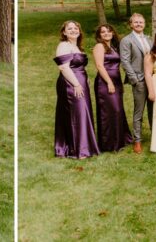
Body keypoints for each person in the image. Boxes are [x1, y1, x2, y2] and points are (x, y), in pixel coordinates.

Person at [53, 20, 100, 159]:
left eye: (76, 28)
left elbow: (79, 67)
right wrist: (76, 84)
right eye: (70, 28)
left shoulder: (77, 46)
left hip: (80, 82)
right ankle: (78, 150)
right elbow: (63, 67)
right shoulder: (63, 45)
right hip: (70, 83)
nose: (73, 30)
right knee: (76, 114)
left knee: (83, 112)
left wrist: (85, 79)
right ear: (64, 32)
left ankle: (85, 146)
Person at [92, 23, 131, 152]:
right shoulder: (99, 46)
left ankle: (120, 139)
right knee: (109, 111)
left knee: (118, 110)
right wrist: (109, 82)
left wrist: (117, 83)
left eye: (109, 31)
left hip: (116, 81)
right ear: (99, 35)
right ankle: (109, 144)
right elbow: (99, 66)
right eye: (103, 32)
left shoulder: (113, 47)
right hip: (105, 82)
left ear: (113, 33)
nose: (106, 34)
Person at [118, 13, 152, 153]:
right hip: (139, 80)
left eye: (141, 22)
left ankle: (155, 136)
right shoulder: (126, 40)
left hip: (152, 79)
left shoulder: (150, 39)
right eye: (136, 22)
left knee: (153, 110)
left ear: (144, 24)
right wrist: (134, 80)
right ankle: (137, 140)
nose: (139, 24)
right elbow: (125, 61)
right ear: (131, 24)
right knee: (139, 111)